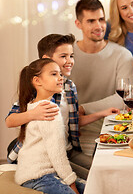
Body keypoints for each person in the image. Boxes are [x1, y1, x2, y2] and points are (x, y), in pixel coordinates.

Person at [6, 34, 118, 179]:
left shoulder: (69, 87)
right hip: (45, 156)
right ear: (46, 59)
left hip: (67, 150)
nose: (69, 61)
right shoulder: (37, 87)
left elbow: (74, 121)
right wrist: (34, 113)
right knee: (93, 178)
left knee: (102, 169)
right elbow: (10, 120)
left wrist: (103, 113)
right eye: (63, 56)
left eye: (71, 56)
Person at [70, 0, 133, 155]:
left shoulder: (122, 55)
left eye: (101, 19)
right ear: (78, 24)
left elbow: (124, 97)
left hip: (110, 128)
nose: (98, 26)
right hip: (73, 129)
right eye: (91, 21)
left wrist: (84, 108)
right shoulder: (67, 54)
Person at [14, 58, 85, 194]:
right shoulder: (49, 110)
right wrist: (72, 184)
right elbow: (57, 154)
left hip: (41, 173)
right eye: (54, 74)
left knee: (93, 188)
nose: (60, 78)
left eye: (60, 74)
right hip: (38, 176)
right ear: (37, 81)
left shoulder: (34, 105)